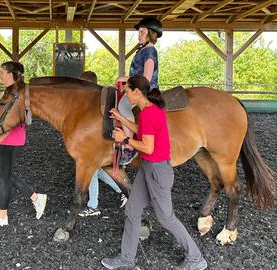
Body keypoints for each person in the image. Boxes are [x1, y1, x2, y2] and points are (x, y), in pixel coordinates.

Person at [101, 75, 207, 270]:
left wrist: (124, 139)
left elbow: (147, 148)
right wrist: (122, 118)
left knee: (166, 217)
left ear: (137, 92)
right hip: (148, 168)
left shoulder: (150, 113)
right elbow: (141, 130)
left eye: (127, 91)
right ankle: (126, 259)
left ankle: (195, 258)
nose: (126, 95)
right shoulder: (148, 110)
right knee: (132, 210)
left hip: (158, 170)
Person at [0, 61, 47, 227]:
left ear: (11, 74)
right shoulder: (15, 91)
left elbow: (11, 123)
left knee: (5, 177)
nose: (0, 75)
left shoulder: (16, 93)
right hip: (12, 138)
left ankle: (4, 214)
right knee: (6, 175)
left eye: (2, 72)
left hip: (10, 139)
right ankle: (34, 199)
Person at [77, 71, 128, 217]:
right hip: (102, 139)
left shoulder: (94, 100)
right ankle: (122, 190)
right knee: (98, 171)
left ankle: (93, 206)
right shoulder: (101, 98)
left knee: (91, 170)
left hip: (100, 141)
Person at [116, 17, 163, 165]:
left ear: (151, 33)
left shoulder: (149, 52)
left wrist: (125, 78)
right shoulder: (143, 50)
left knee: (123, 106)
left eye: (143, 31)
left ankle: (129, 147)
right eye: (139, 31)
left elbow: (147, 78)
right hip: (137, 86)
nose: (139, 34)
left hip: (144, 89)